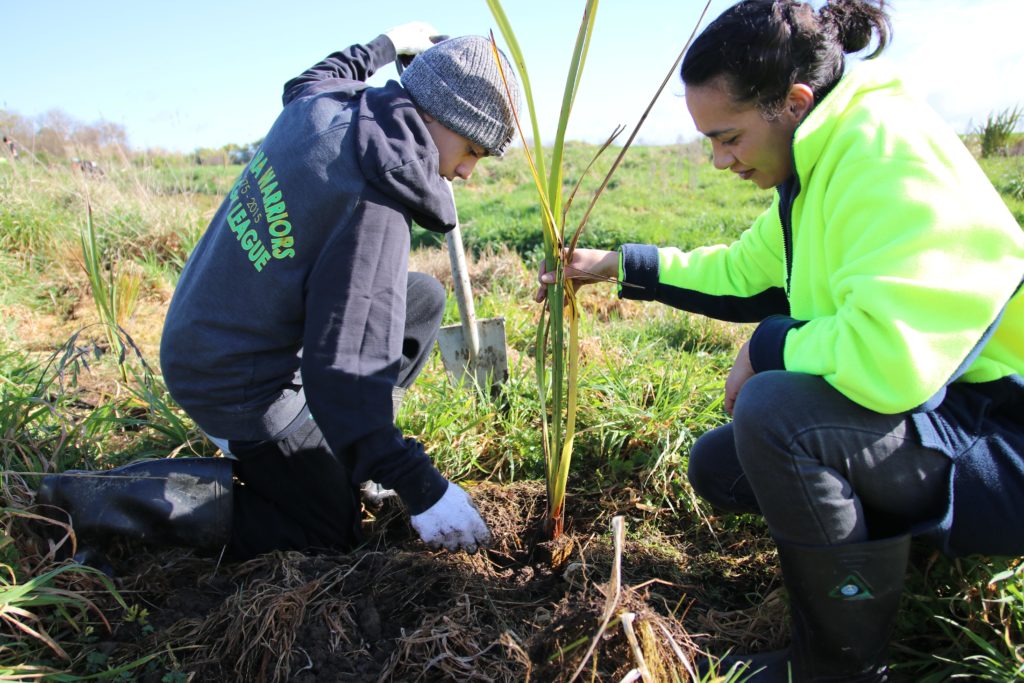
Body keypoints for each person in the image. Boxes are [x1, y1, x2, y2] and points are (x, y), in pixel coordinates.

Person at [539, 0, 1024, 680]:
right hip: (946, 413)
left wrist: (767, 347)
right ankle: (901, 554)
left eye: (728, 136)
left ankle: (836, 663)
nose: (717, 159)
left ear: (793, 102)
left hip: (1002, 436)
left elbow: (887, 363)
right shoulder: (817, 163)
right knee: (722, 460)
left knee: (774, 416)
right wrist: (619, 265)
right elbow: (742, 271)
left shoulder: (882, 153)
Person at [37, 24, 521, 562]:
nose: (467, 172)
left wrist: (386, 44)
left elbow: (316, 75)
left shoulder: (329, 106)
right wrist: (421, 487)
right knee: (324, 531)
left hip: (207, 328)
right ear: (432, 114)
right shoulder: (374, 210)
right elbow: (346, 371)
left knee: (422, 297)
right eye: (470, 149)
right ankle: (100, 503)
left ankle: (350, 454)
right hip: (239, 387)